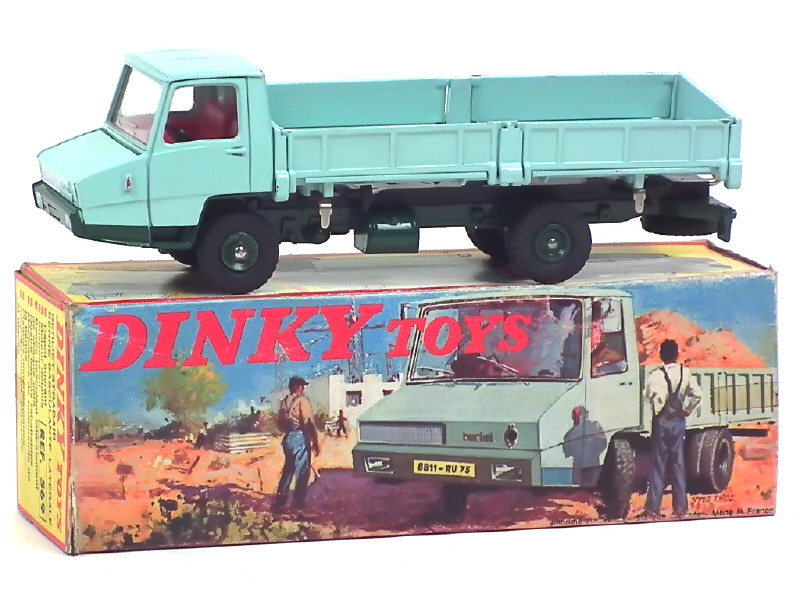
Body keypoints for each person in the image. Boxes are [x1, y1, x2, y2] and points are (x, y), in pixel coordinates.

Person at [643, 339, 703, 517]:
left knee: (658, 466)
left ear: (661, 355)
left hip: (661, 422)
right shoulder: (686, 373)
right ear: (677, 355)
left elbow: (648, 395)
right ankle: (681, 509)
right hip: (678, 421)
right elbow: (698, 395)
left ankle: (652, 509)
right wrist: (687, 410)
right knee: (677, 464)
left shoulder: (655, 375)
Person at [272, 376, 320, 513]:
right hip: (300, 437)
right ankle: (298, 505)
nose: (303, 388)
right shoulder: (302, 401)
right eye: (301, 386)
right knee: (303, 472)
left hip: (288, 438)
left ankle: (280, 502)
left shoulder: (284, 402)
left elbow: (280, 423)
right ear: (296, 387)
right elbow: (308, 421)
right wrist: (315, 440)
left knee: (288, 470)